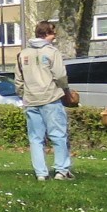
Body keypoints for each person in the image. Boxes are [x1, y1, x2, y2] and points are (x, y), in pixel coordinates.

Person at [18, 20, 73, 180]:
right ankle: (61, 170)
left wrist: (23, 95)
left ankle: (41, 173)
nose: (54, 37)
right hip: (50, 98)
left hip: (31, 100)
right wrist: (67, 92)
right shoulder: (52, 52)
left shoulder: (23, 54)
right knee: (58, 135)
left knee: (35, 139)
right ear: (46, 34)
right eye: (53, 33)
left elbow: (18, 80)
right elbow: (60, 75)